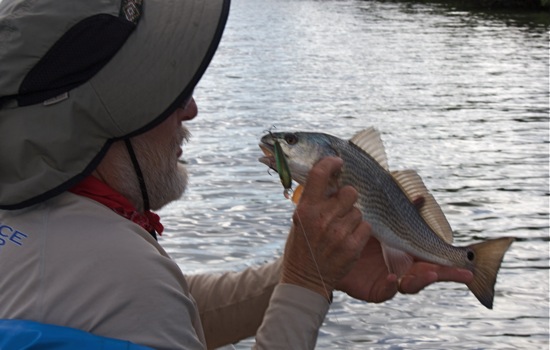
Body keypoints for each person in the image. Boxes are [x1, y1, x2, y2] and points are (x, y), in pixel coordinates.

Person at [0, 0, 473, 349]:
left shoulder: (45, 228)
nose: (191, 108)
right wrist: (307, 284)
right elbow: (147, 297)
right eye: (165, 91)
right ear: (104, 115)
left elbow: (175, 306)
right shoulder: (119, 269)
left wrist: (315, 267)